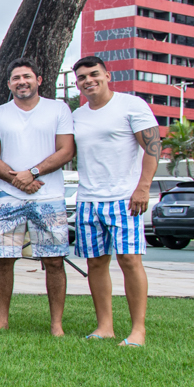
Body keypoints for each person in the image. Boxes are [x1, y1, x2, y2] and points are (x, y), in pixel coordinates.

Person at [0, 58, 76, 336]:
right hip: (9, 198)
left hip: (49, 198)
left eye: (27, 76)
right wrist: (18, 181)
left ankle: (56, 324)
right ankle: (1, 320)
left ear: (39, 80)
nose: (22, 82)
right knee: (4, 259)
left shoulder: (58, 109)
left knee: (54, 260)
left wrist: (32, 173)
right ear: (9, 84)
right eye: (16, 78)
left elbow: (66, 150)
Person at [70, 55, 160, 347]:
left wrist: (143, 188)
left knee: (130, 261)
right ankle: (104, 326)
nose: (88, 80)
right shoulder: (77, 115)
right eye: (82, 77)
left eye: (94, 74)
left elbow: (153, 147)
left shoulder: (131, 105)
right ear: (77, 83)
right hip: (88, 200)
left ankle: (138, 331)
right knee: (96, 263)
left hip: (124, 199)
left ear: (107, 75)